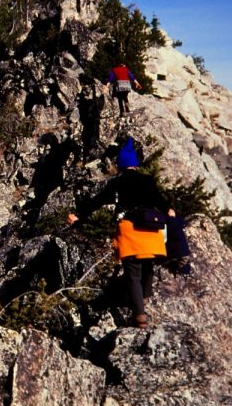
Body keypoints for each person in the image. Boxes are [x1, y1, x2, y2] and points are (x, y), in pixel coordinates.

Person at [68, 138, 174, 328]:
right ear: (136, 163)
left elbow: (98, 201)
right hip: (151, 229)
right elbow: (161, 200)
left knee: (133, 273)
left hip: (129, 229)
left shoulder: (117, 183)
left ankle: (139, 314)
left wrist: (79, 216)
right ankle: (146, 296)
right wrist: (169, 210)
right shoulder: (147, 181)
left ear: (120, 164)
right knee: (148, 265)